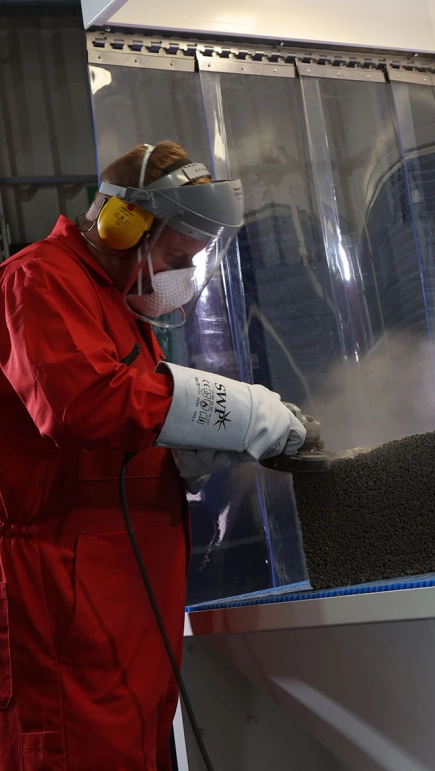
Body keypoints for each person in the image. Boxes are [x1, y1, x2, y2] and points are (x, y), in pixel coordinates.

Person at [0, 141, 305, 770]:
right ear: (121, 227)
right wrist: (237, 410)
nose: (182, 275)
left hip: (124, 594)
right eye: (175, 256)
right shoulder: (39, 279)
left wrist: (184, 456)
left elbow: (128, 427)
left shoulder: (117, 303)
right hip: (65, 591)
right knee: (76, 748)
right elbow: (85, 404)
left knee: (133, 745)